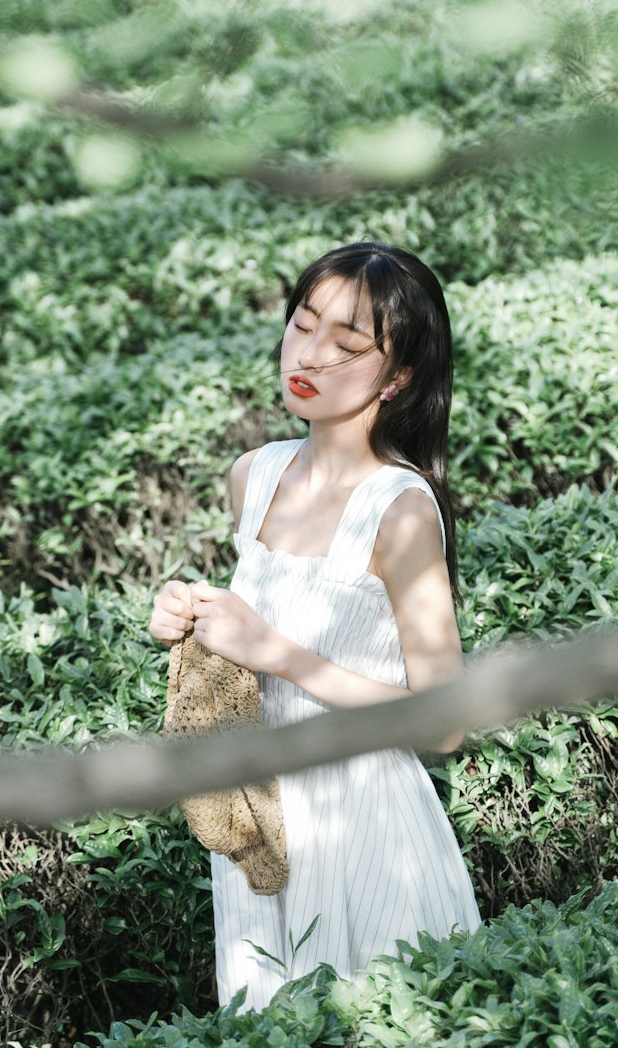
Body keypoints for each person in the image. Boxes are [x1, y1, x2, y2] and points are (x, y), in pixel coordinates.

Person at [148, 241, 481, 1010]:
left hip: (363, 823)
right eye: (303, 325)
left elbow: (445, 725)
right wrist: (186, 620)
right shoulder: (254, 476)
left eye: (348, 344)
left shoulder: (398, 509)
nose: (312, 355)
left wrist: (277, 652)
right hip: (260, 821)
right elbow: (241, 645)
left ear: (398, 378)